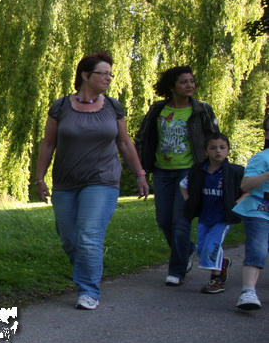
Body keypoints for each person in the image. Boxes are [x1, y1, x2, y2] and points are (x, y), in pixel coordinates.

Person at [35, 52, 150, 310]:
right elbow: (49, 143)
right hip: (66, 181)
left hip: (103, 180)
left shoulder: (112, 107)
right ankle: (88, 270)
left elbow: (124, 142)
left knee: (89, 235)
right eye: (103, 73)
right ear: (86, 75)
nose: (109, 78)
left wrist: (139, 174)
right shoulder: (61, 107)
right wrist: (39, 178)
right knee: (69, 238)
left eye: (110, 74)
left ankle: (88, 290)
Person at [135, 66, 218, 286]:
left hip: (189, 171)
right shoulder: (158, 110)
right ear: (172, 87)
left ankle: (177, 271)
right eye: (184, 82)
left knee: (180, 222)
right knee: (164, 221)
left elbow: (214, 139)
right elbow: (142, 137)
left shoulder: (202, 110)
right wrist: (141, 168)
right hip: (162, 171)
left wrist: (213, 169)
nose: (190, 85)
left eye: (192, 81)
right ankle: (187, 249)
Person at [179, 133, 245, 294]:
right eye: (213, 148)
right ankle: (222, 263)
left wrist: (237, 204)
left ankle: (216, 280)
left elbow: (248, 190)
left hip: (222, 218)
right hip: (205, 216)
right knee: (202, 249)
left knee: (211, 246)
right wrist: (189, 201)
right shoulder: (199, 170)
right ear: (206, 151)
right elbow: (183, 184)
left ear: (228, 150)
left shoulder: (235, 171)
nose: (218, 151)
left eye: (222, 148)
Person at [231, 117, 269, 311]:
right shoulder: (262, 158)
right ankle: (248, 292)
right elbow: (246, 185)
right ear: (267, 134)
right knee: (258, 248)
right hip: (258, 211)